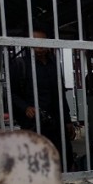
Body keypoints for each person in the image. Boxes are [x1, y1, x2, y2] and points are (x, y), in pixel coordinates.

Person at [10, 24, 75, 170]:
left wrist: (68, 120)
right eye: (35, 42)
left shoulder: (54, 64)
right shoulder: (20, 64)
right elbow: (10, 93)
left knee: (64, 159)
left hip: (57, 124)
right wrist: (25, 107)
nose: (39, 46)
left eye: (42, 42)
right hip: (34, 124)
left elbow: (60, 94)